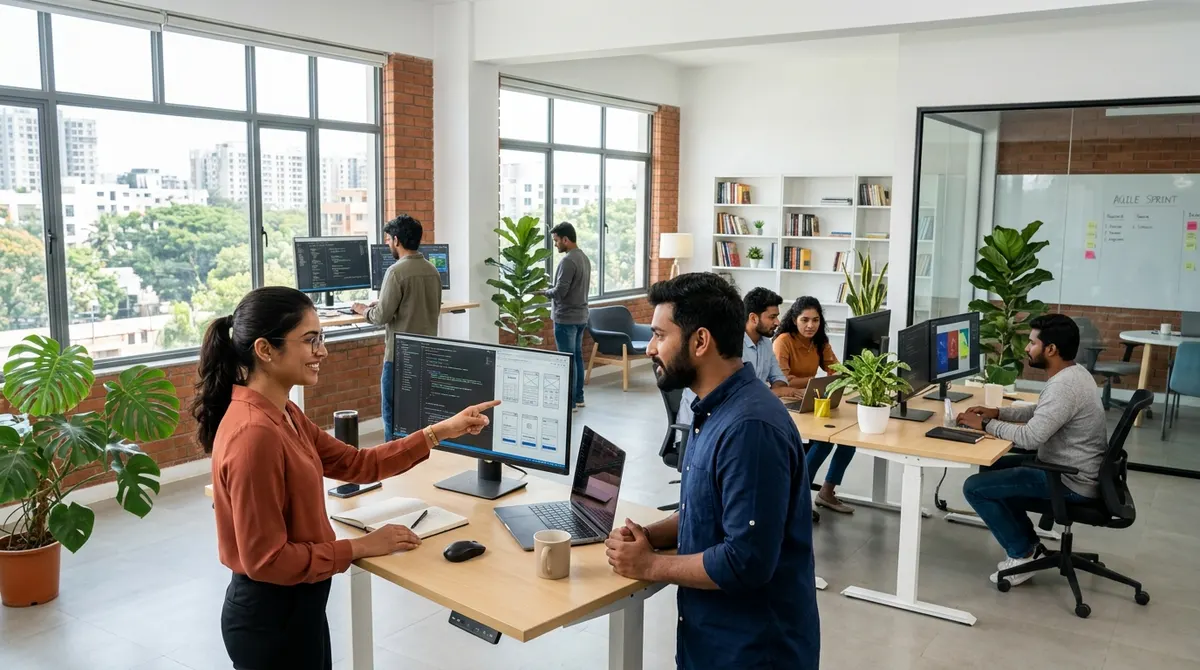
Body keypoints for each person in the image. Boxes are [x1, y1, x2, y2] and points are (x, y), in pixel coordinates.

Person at [196, 286, 499, 670]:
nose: (322, 351)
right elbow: (267, 560)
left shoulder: (284, 412)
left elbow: (358, 464)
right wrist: (360, 547)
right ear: (265, 350)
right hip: (271, 619)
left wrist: (440, 431)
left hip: (297, 609)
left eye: (320, 338)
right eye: (310, 341)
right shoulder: (255, 433)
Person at [605, 273, 819, 670]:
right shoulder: (711, 410)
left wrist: (649, 565)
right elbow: (709, 509)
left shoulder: (749, 429)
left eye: (659, 335)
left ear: (700, 341)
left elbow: (746, 561)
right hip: (711, 639)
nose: (651, 348)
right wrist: (649, 535)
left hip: (752, 651)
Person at [959, 313, 1108, 586]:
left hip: (1069, 480)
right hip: (1071, 468)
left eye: (1032, 343)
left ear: (1050, 349)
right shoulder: (1074, 373)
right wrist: (997, 412)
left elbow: (1030, 437)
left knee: (975, 487)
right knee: (991, 466)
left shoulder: (1064, 386)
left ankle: (1022, 554)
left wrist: (986, 424)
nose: (1027, 348)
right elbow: (1042, 412)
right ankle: (1029, 545)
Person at [351, 214, 442, 441]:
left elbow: (381, 317)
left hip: (400, 357)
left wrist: (363, 309)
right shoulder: (432, 270)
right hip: (427, 353)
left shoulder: (396, 271)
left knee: (392, 413)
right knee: (418, 412)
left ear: (397, 240)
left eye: (388, 240)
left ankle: (392, 461)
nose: (387, 244)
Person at [774, 296, 857, 514]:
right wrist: (816, 381)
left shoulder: (819, 341)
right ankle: (798, 499)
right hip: (786, 400)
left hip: (810, 396)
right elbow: (784, 380)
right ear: (794, 320)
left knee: (848, 441)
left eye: (816, 320)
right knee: (824, 440)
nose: (810, 325)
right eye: (805, 320)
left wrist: (832, 376)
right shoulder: (783, 341)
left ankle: (826, 493)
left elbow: (837, 369)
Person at [541, 222, 591, 411]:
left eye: (556, 241)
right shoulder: (584, 258)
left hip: (566, 318)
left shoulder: (568, 261)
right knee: (576, 357)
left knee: (566, 361)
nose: (555, 245)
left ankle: (569, 404)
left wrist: (545, 292)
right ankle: (578, 398)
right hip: (580, 317)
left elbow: (560, 291)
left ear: (565, 239)